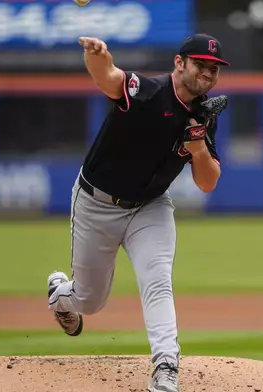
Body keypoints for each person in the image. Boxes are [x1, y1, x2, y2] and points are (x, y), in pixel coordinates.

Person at [46, 33, 230, 392]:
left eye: (214, 69)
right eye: (200, 65)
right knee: (89, 300)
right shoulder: (147, 91)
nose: (208, 74)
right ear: (179, 63)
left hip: (151, 207)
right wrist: (97, 56)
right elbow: (107, 77)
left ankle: (166, 368)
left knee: (158, 281)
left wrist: (197, 148)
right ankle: (59, 294)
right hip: (97, 203)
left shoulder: (204, 116)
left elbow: (207, 182)